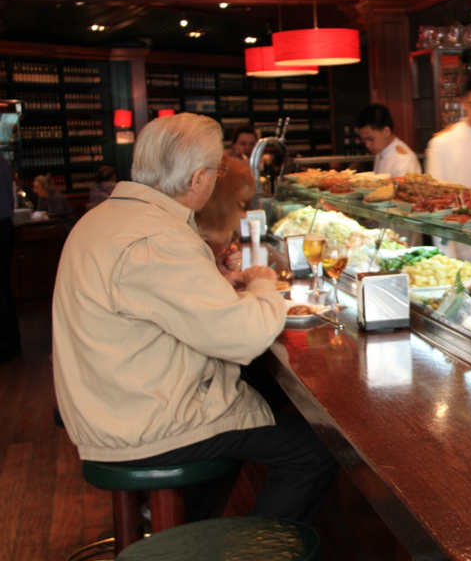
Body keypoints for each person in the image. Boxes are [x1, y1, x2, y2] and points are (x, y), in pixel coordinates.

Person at [52, 113, 337, 524]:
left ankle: (181, 527)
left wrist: (216, 280)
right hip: (141, 421)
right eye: (217, 170)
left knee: (255, 399)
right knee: (317, 449)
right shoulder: (159, 239)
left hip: (112, 398)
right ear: (198, 178)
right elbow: (243, 336)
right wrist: (261, 283)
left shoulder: (107, 217)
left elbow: (153, 302)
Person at [195, 154, 254, 288]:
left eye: (248, 205)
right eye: (242, 204)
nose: (245, 215)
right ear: (221, 206)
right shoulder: (181, 245)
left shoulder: (200, 242)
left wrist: (218, 269)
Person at [354, 104, 421, 178]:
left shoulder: (403, 160)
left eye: (370, 139)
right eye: (364, 140)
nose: (367, 145)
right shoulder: (381, 150)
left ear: (386, 132)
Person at [0, 154, 20, 362]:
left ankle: (6, 344)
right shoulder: (3, 161)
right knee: (4, 287)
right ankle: (11, 342)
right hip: (5, 226)